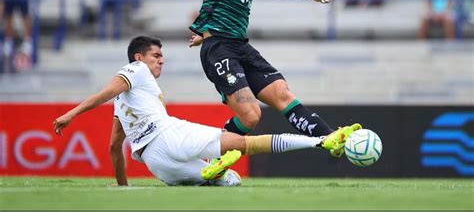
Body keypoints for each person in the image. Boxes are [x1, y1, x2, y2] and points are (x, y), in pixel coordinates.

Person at [53, 36, 362, 186]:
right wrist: (72, 114)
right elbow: (106, 92)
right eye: (156, 55)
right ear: (139, 57)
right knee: (243, 144)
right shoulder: (135, 70)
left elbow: (113, 148)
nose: (161, 61)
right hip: (170, 135)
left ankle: (212, 170)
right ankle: (323, 141)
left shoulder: (126, 105)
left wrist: (123, 188)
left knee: (231, 182)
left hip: (156, 165)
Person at [189, 0, 361, 157]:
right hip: (220, 50)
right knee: (250, 117)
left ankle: (330, 138)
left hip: (239, 46)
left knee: (282, 94)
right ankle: (206, 155)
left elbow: (220, 3)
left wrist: (205, 32)